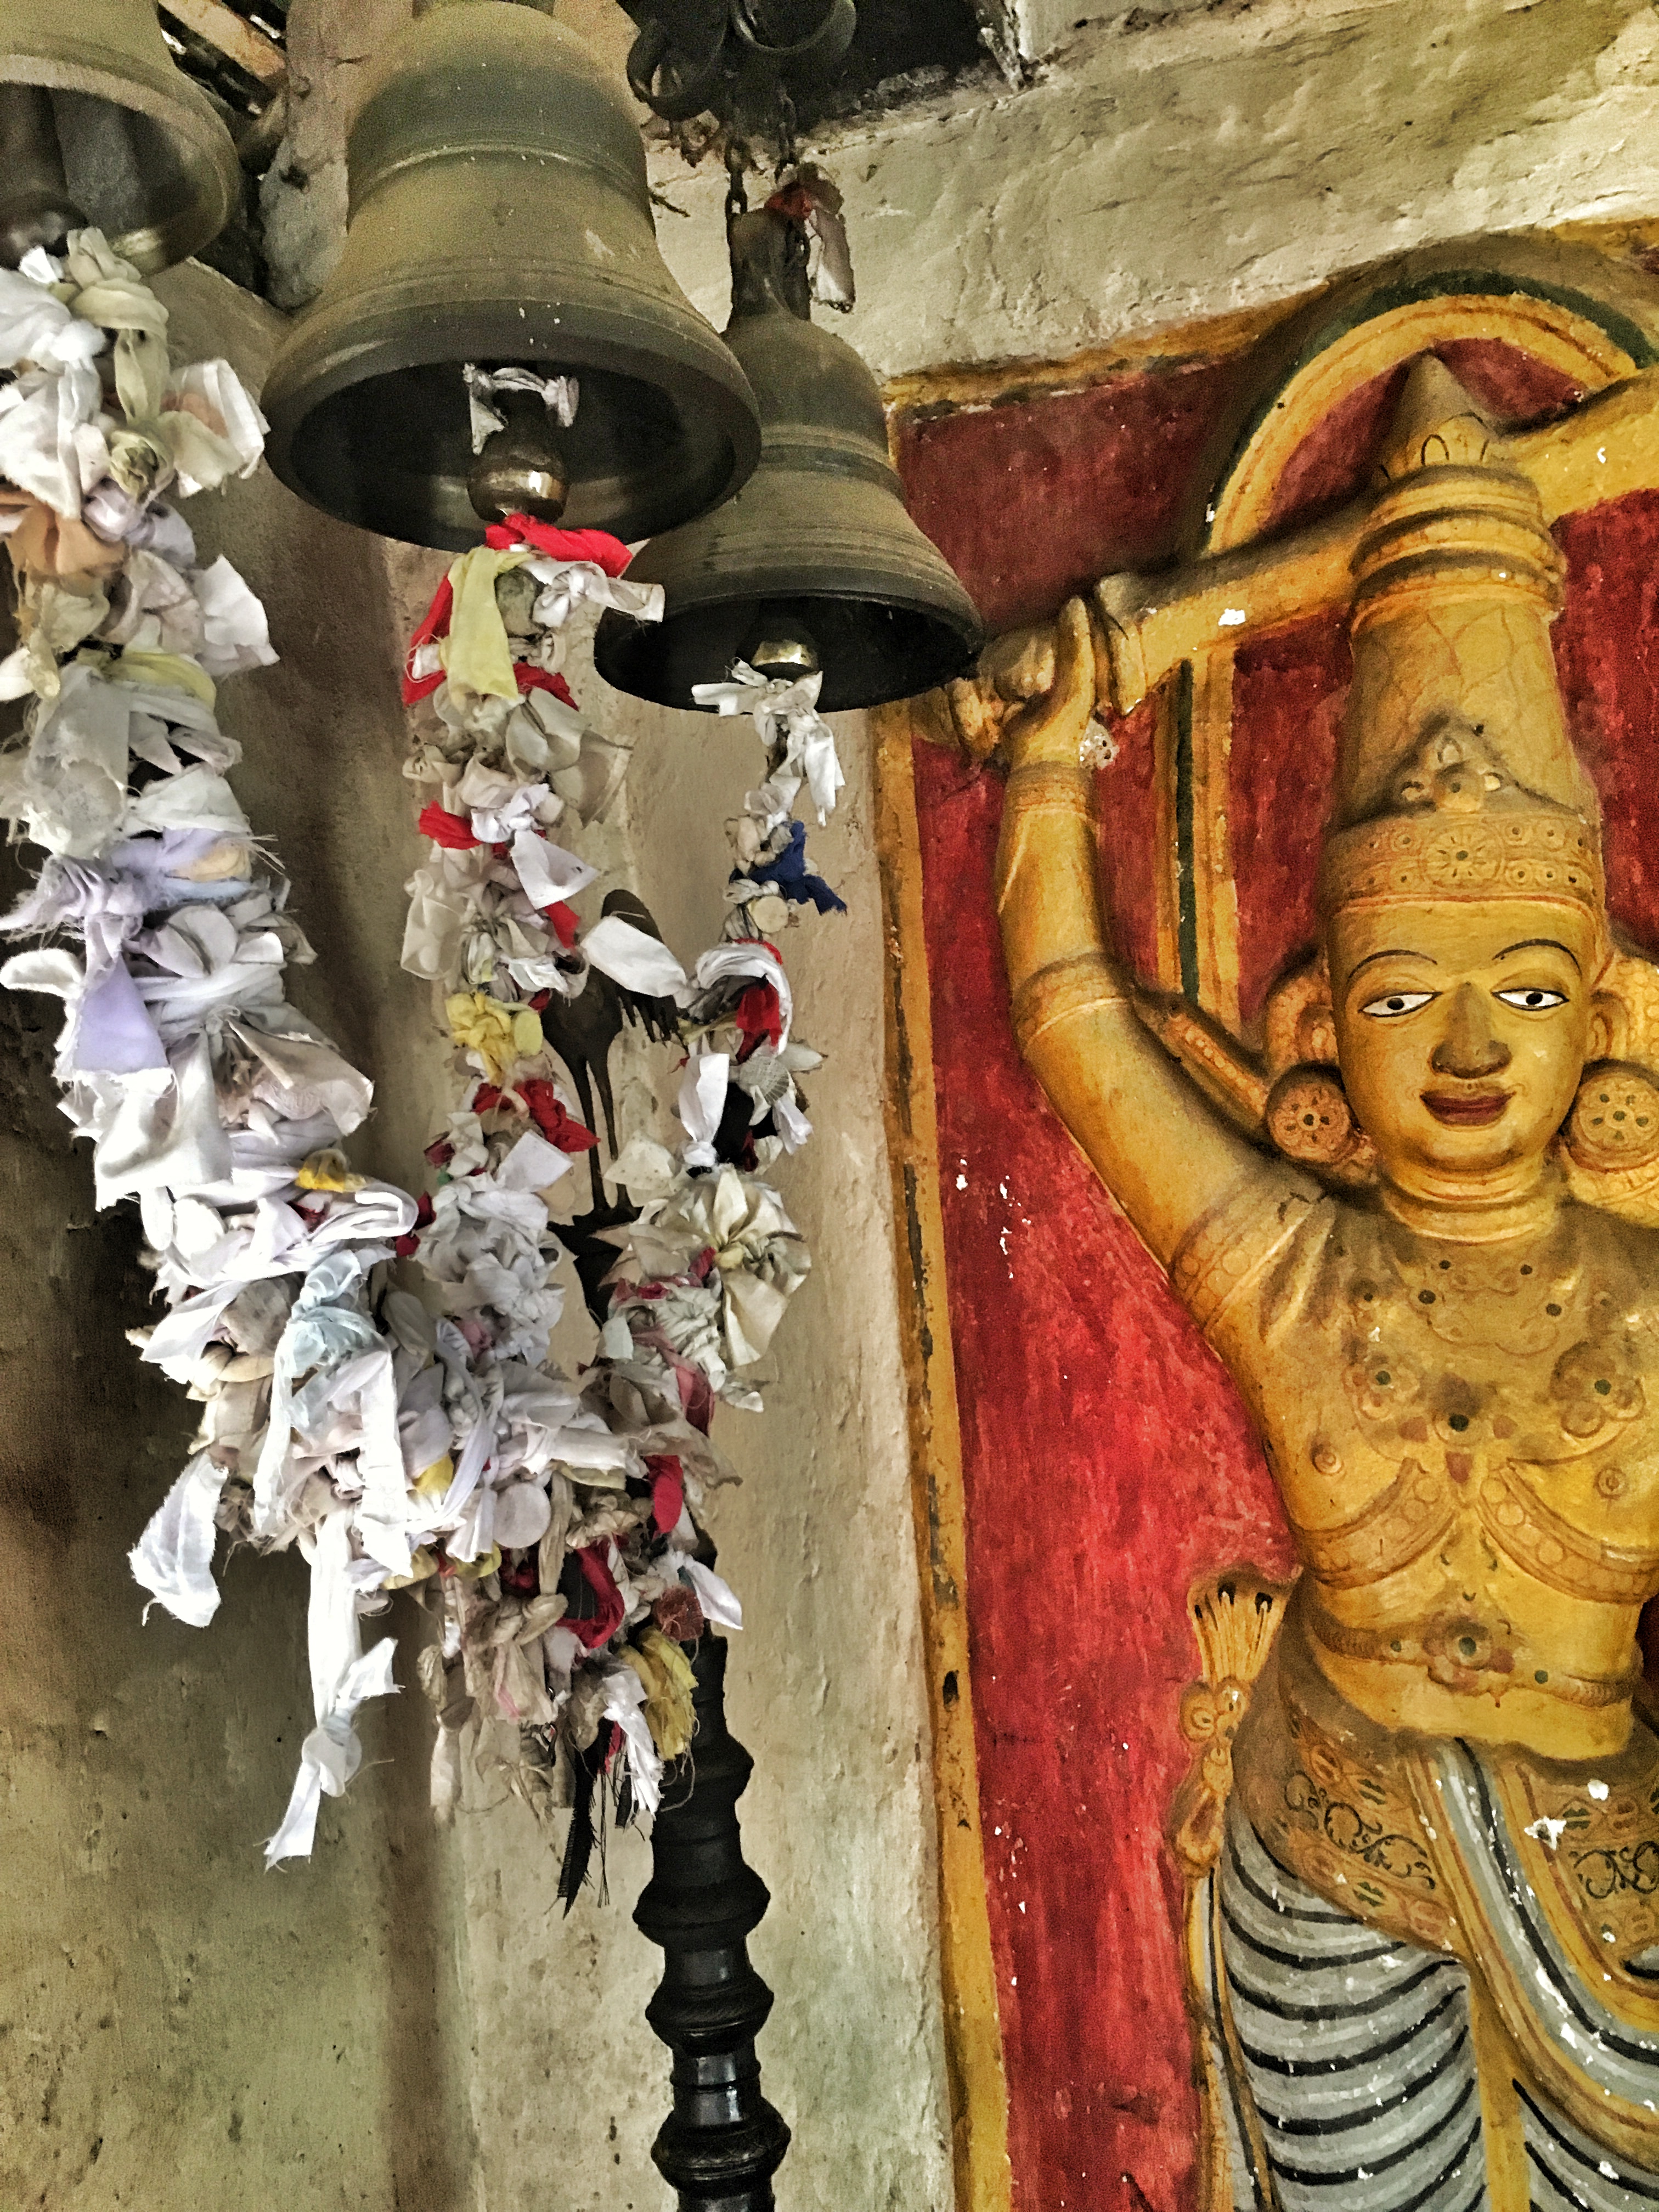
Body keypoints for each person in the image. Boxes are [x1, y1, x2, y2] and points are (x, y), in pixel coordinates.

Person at [989, 358, 1659, 2210]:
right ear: (1324, 1029)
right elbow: (1074, 1026)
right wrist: (1052, 756)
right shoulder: (1296, 1271)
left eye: (1528, 991)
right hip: (1331, 1864)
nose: (1470, 1050)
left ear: (1599, 1016)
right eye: (1402, 994)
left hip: (1617, 1869)